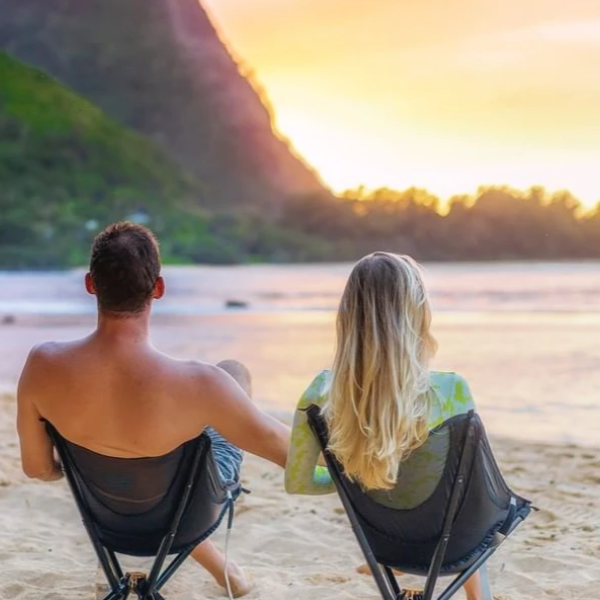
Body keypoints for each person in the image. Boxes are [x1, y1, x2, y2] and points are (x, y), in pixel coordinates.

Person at [17, 222, 290, 598]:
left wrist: (90, 470)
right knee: (234, 373)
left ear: (90, 284)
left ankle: (222, 567)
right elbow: (291, 455)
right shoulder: (201, 384)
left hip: (106, 517)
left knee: (161, 454)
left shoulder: (42, 365)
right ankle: (223, 566)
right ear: (158, 288)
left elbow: (37, 469)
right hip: (189, 515)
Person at [285, 252, 483, 600]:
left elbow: (298, 483)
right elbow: (470, 489)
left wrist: (356, 477)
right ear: (418, 313)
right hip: (452, 544)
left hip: (383, 542)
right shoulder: (452, 390)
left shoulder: (320, 393)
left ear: (347, 315)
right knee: (458, 503)